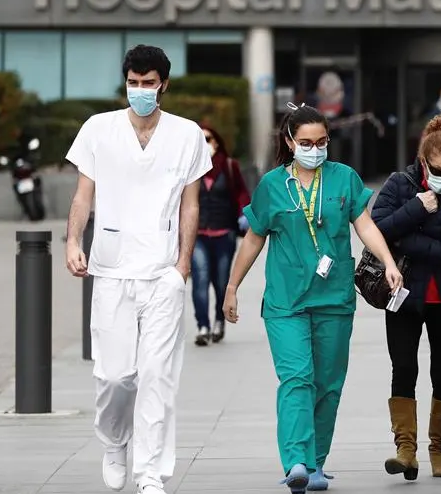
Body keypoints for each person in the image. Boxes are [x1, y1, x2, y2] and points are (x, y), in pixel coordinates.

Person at [221, 103, 404, 494]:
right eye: (306, 142)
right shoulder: (272, 184)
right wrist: (233, 286)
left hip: (334, 298)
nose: (315, 149)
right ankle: (296, 462)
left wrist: (388, 260)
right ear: (289, 142)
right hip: (286, 301)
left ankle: (317, 462)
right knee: (297, 378)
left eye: (322, 141)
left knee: (328, 383)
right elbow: (254, 237)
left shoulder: (343, 179)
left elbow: (364, 224)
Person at [63, 45, 212, 494]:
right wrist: (72, 241)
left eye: (149, 83)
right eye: (133, 83)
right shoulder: (98, 129)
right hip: (111, 270)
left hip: (162, 272)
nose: (140, 91)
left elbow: (191, 203)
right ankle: (114, 441)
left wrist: (182, 266)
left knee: (156, 375)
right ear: (125, 81)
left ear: (163, 84)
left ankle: (150, 473)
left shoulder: (186, 134)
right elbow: (82, 195)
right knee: (114, 375)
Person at [370, 115, 441, 481]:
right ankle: (405, 449)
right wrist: (417, 209)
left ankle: (439, 450)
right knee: (403, 368)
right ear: (424, 161)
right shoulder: (399, 185)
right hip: (403, 294)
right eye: (438, 170)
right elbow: (377, 229)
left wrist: (407, 238)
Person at [192, 123, 251, 346]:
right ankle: (202, 326)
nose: (204, 144)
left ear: (216, 142)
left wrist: (244, 214)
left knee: (220, 280)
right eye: (200, 140)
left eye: (208, 139)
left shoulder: (228, 165)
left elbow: (241, 193)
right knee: (200, 278)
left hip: (224, 232)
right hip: (198, 234)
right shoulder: (190, 168)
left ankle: (219, 321)